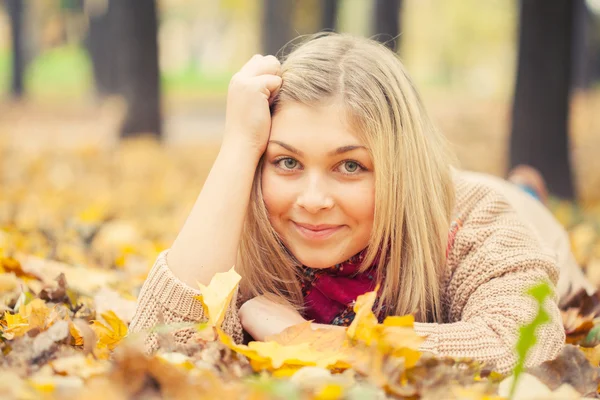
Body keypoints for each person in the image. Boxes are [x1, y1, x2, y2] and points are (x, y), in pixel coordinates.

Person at [129, 33, 593, 374]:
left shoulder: (476, 220)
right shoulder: (254, 215)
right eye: (287, 161)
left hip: (518, 218)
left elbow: (525, 342)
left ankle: (527, 191)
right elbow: (157, 347)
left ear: (400, 167)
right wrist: (237, 146)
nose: (311, 201)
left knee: (521, 206)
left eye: (350, 166)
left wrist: (312, 340)